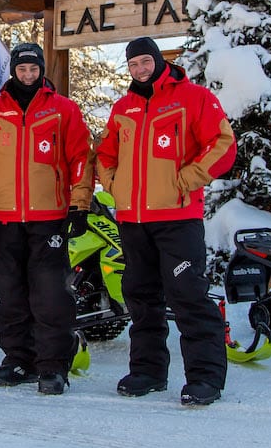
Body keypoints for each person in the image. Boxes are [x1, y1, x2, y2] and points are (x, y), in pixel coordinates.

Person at [94, 36, 237, 406]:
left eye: (145, 61)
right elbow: (105, 153)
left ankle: (205, 378)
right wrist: (114, 186)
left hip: (177, 217)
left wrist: (188, 179)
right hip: (133, 220)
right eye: (133, 65)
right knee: (140, 299)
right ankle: (148, 371)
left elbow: (223, 144)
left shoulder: (194, 98)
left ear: (158, 61)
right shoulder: (123, 107)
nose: (140, 69)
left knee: (188, 296)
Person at [0, 42, 93, 396]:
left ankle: (52, 365)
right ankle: (18, 358)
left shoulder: (62, 109)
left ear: (41, 71)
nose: (28, 74)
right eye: (22, 69)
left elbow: (81, 158)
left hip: (49, 219)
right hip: (4, 220)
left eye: (34, 69)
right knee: (9, 294)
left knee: (51, 295)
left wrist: (80, 204)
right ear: (14, 70)